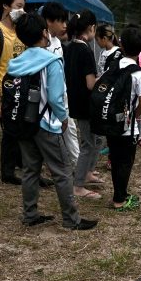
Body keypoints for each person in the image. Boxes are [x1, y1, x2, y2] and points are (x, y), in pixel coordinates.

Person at [8, 13, 98, 230]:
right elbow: (56, 97)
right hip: (46, 124)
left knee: (30, 169)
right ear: (43, 33)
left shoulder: (16, 62)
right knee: (62, 171)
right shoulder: (51, 60)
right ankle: (71, 220)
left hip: (23, 122)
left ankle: (30, 214)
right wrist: (63, 118)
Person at [0, 0, 27, 185]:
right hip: (6, 92)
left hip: (22, 89)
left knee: (22, 132)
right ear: (5, 6)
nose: (22, 10)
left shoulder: (21, 31)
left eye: (23, 7)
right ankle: (8, 173)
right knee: (10, 134)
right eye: (18, 6)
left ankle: (23, 167)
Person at [106, 26, 141, 211]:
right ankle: (120, 199)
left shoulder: (112, 67)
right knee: (126, 162)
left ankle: (120, 192)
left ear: (121, 45)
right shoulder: (139, 73)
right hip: (128, 127)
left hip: (109, 123)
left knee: (115, 159)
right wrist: (134, 115)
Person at [65, 9, 104, 199]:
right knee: (88, 143)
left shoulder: (70, 46)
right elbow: (91, 84)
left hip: (76, 102)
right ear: (91, 28)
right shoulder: (85, 50)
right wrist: (107, 78)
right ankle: (78, 186)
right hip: (85, 105)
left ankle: (88, 172)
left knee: (97, 139)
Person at [41, 1, 79, 166]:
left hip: (61, 92)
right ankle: (71, 163)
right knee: (55, 129)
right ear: (49, 21)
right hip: (49, 96)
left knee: (68, 127)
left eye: (66, 21)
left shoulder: (57, 41)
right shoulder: (42, 42)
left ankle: (76, 162)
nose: (65, 26)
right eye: (61, 21)